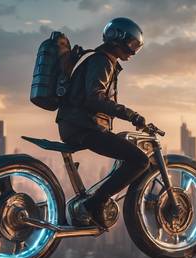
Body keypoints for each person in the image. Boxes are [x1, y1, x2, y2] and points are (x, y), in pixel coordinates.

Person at [55, 17, 149, 228]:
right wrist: (131, 115)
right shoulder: (102, 61)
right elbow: (95, 98)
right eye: (132, 45)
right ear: (118, 39)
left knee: (125, 148)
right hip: (83, 127)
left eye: (137, 47)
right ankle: (95, 204)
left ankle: (95, 201)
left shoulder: (102, 60)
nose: (133, 52)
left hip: (77, 125)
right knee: (140, 161)